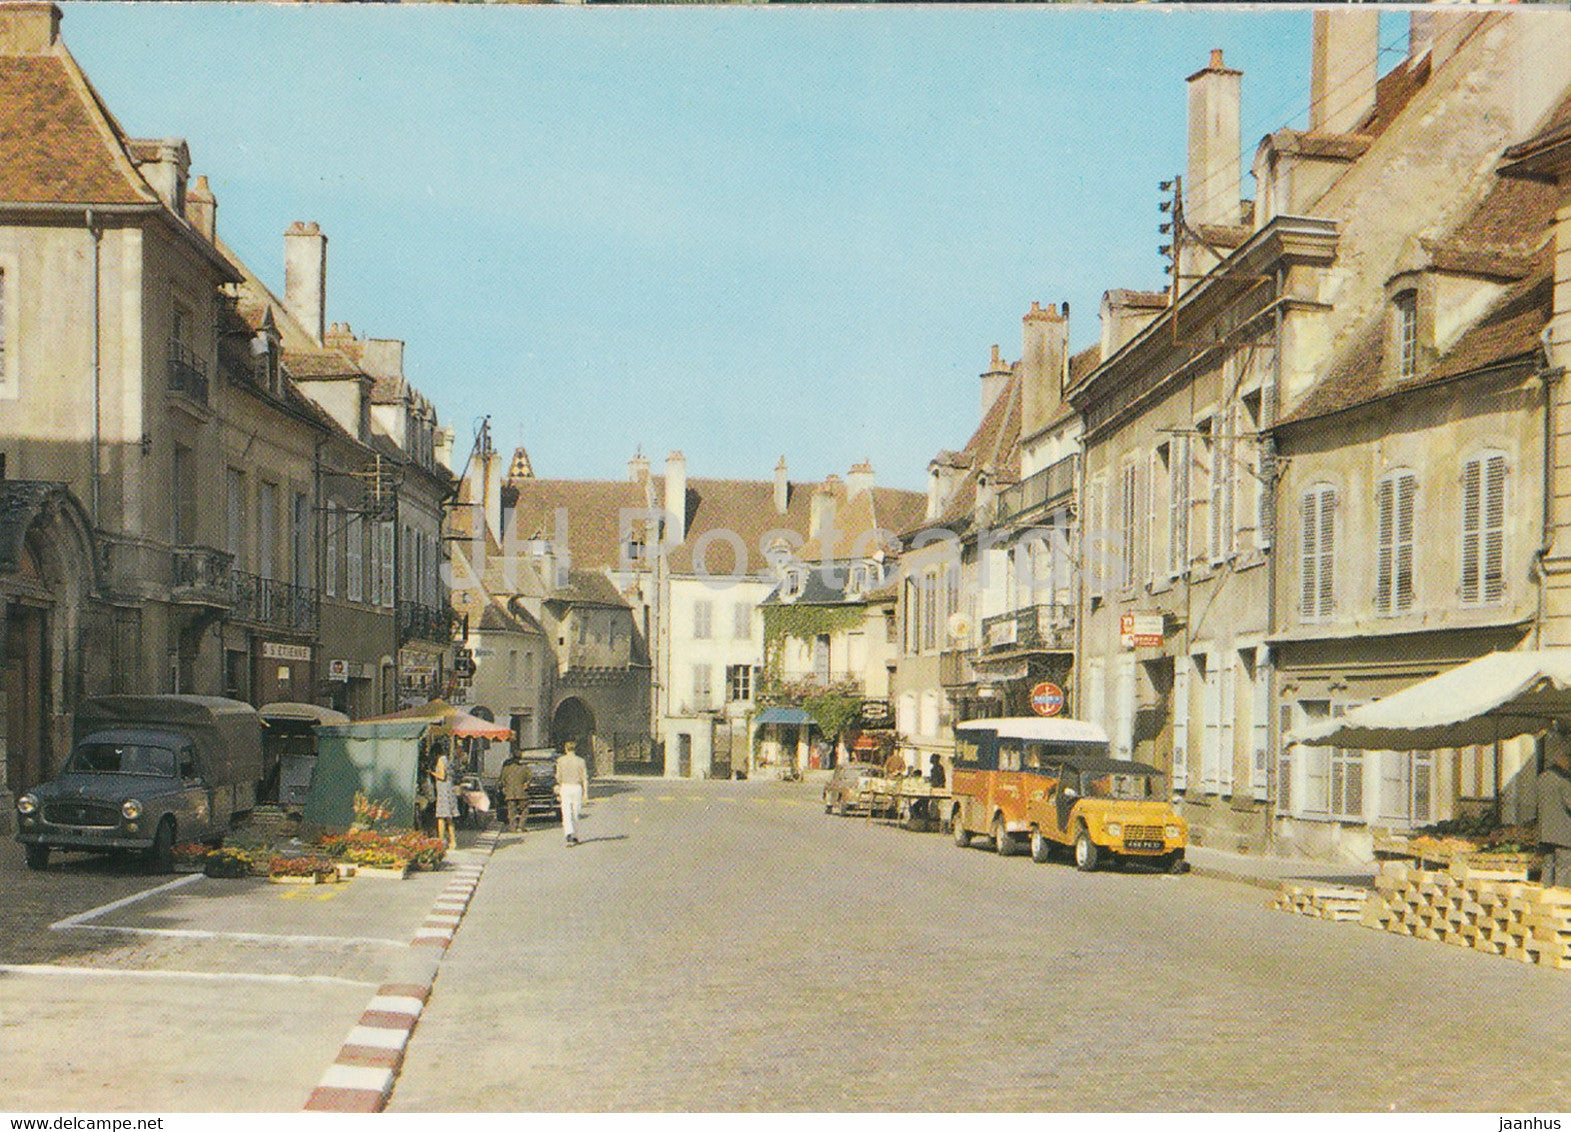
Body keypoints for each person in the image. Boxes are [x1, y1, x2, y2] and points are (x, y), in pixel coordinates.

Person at [1537, 726, 1571, 888]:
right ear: (1563, 759)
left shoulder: (1543, 777)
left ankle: (1544, 902)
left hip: (1545, 833)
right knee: (1564, 871)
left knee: (1548, 868)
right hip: (1563, 834)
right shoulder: (1563, 780)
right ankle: (1559, 906)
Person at [556, 740, 590, 846]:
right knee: (576, 812)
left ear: (565, 749)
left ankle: (569, 833)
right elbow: (584, 778)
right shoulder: (580, 761)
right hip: (577, 787)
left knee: (566, 812)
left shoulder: (560, 760)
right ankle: (575, 835)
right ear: (575, 749)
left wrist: (559, 785)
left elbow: (558, 777)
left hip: (565, 787)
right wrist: (586, 794)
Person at [431, 740, 459, 851]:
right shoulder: (446, 760)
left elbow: (441, 776)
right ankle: (453, 841)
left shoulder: (440, 761)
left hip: (443, 791)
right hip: (449, 789)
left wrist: (431, 772)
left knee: (441, 817)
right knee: (449, 818)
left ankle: (441, 840)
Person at [497, 748, 531, 833]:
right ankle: (521, 826)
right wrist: (526, 784)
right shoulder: (524, 768)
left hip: (510, 793)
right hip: (522, 793)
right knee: (525, 809)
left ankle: (513, 828)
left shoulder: (506, 769)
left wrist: (504, 788)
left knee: (511, 811)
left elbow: (501, 781)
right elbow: (530, 778)